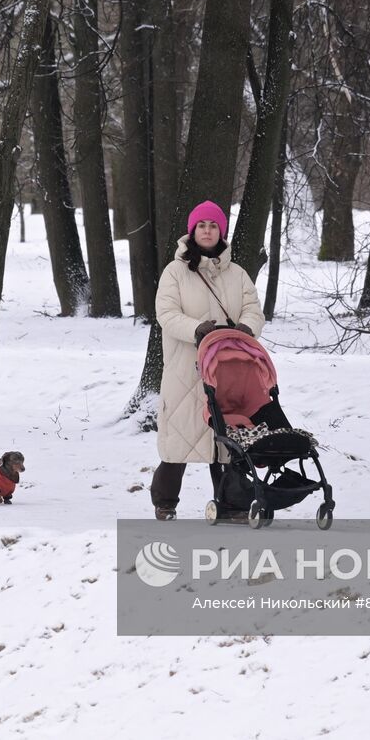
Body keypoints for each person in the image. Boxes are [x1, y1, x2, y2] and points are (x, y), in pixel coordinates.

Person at [150, 201, 265, 520]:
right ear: (192, 230)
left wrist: (246, 329)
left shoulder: (237, 274)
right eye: (201, 225)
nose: (207, 230)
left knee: (225, 441)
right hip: (185, 369)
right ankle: (165, 501)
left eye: (213, 225)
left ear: (221, 232)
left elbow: (254, 309)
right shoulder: (174, 272)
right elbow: (166, 313)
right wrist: (195, 329)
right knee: (180, 437)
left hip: (227, 370)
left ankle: (232, 504)